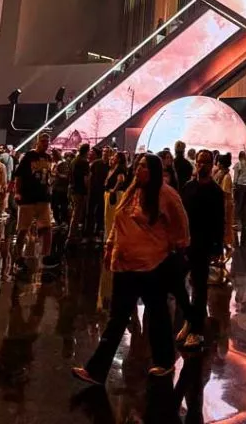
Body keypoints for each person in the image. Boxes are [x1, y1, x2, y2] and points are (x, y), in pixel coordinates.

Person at [72, 153, 189, 384]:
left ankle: (165, 362)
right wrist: (109, 247)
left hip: (150, 266)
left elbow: (180, 225)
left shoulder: (165, 194)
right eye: (138, 165)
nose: (138, 169)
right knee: (118, 319)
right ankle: (96, 371)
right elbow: (118, 221)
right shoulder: (131, 191)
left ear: (153, 170)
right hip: (125, 265)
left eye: (144, 166)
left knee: (157, 315)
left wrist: (175, 248)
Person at [179, 150, 225, 350]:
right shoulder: (188, 188)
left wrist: (217, 247)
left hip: (203, 245)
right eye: (199, 162)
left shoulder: (215, 191)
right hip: (186, 243)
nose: (202, 166)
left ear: (211, 164)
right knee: (178, 284)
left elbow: (219, 220)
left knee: (199, 287)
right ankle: (190, 318)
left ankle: (196, 330)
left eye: (206, 162)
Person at [14, 132, 55, 266]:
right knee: (23, 228)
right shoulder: (29, 157)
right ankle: (18, 255)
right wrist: (17, 192)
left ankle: (46, 256)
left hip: (43, 197)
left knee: (47, 228)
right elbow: (19, 175)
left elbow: (48, 176)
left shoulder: (48, 158)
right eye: (43, 141)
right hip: (28, 197)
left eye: (47, 141)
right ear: (37, 142)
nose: (45, 144)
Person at [68, 143, 91, 242]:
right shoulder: (84, 162)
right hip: (80, 190)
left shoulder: (74, 161)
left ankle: (72, 232)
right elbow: (86, 179)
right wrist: (88, 190)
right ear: (87, 151)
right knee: (77, 213)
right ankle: (72, 235)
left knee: (74, 211)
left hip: (73, 189)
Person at [87, 147, 111, 240]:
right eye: (104, 151)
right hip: (94, 190)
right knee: (90, 211)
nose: (105, 153)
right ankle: (89, 232)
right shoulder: (96, 163)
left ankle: (98, 231)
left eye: (107, 152)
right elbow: (90, 176)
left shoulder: (110, 165)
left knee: (100, 212)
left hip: (103, 191)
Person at [104, 152, 130, 239]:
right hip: (110, 194)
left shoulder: (120, 168)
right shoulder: (113, 168)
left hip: (115, 195)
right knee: (108, 216)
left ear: (118, 159)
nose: (112, 158)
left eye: (114, 156)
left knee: (112, 216)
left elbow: (121, 180)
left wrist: (114, 190)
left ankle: (114, 236)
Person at [214, 152, 235, 248]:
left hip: (225, 204)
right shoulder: (220, 174)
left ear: (221, 164)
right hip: (222, 203)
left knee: (226, 225)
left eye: (218, 162)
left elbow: (225, 193)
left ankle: (225, 243)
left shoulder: (226, 177)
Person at [233, 150, 246, 232]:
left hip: (240, 185)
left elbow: (236, 176)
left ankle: (235, 222)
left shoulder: (238, 165)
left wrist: (234, 184)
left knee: (238, 203)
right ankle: (245, 223)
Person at [51, 149, 71, 226]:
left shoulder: (62, 164)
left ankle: (62, 221)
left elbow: (66, 176)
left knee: (62, 206)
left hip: (61, 189)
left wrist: (57, 174)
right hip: (56, 188)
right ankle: (58, 221)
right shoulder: (57, 163)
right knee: (55, 206)